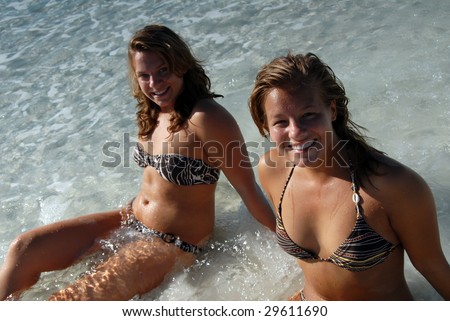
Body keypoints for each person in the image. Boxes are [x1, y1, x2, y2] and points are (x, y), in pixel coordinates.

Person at [0, 24, 275, 301]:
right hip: (129, 220)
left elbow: (249, 191)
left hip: (170, 242)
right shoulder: (152, 112)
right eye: (144, 76)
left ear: (181, 65)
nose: (154, 84)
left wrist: (289, 244)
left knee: (67, 302)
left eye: (162, 71)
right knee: (25, 248)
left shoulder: (207, 119)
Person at [248, 52, 450, 300]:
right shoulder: (271, 171)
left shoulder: (392, 186)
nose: (296, 132)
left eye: (308, 115)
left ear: (332, 109)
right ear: (266, 126)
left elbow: (432, 267)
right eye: (280, 122)